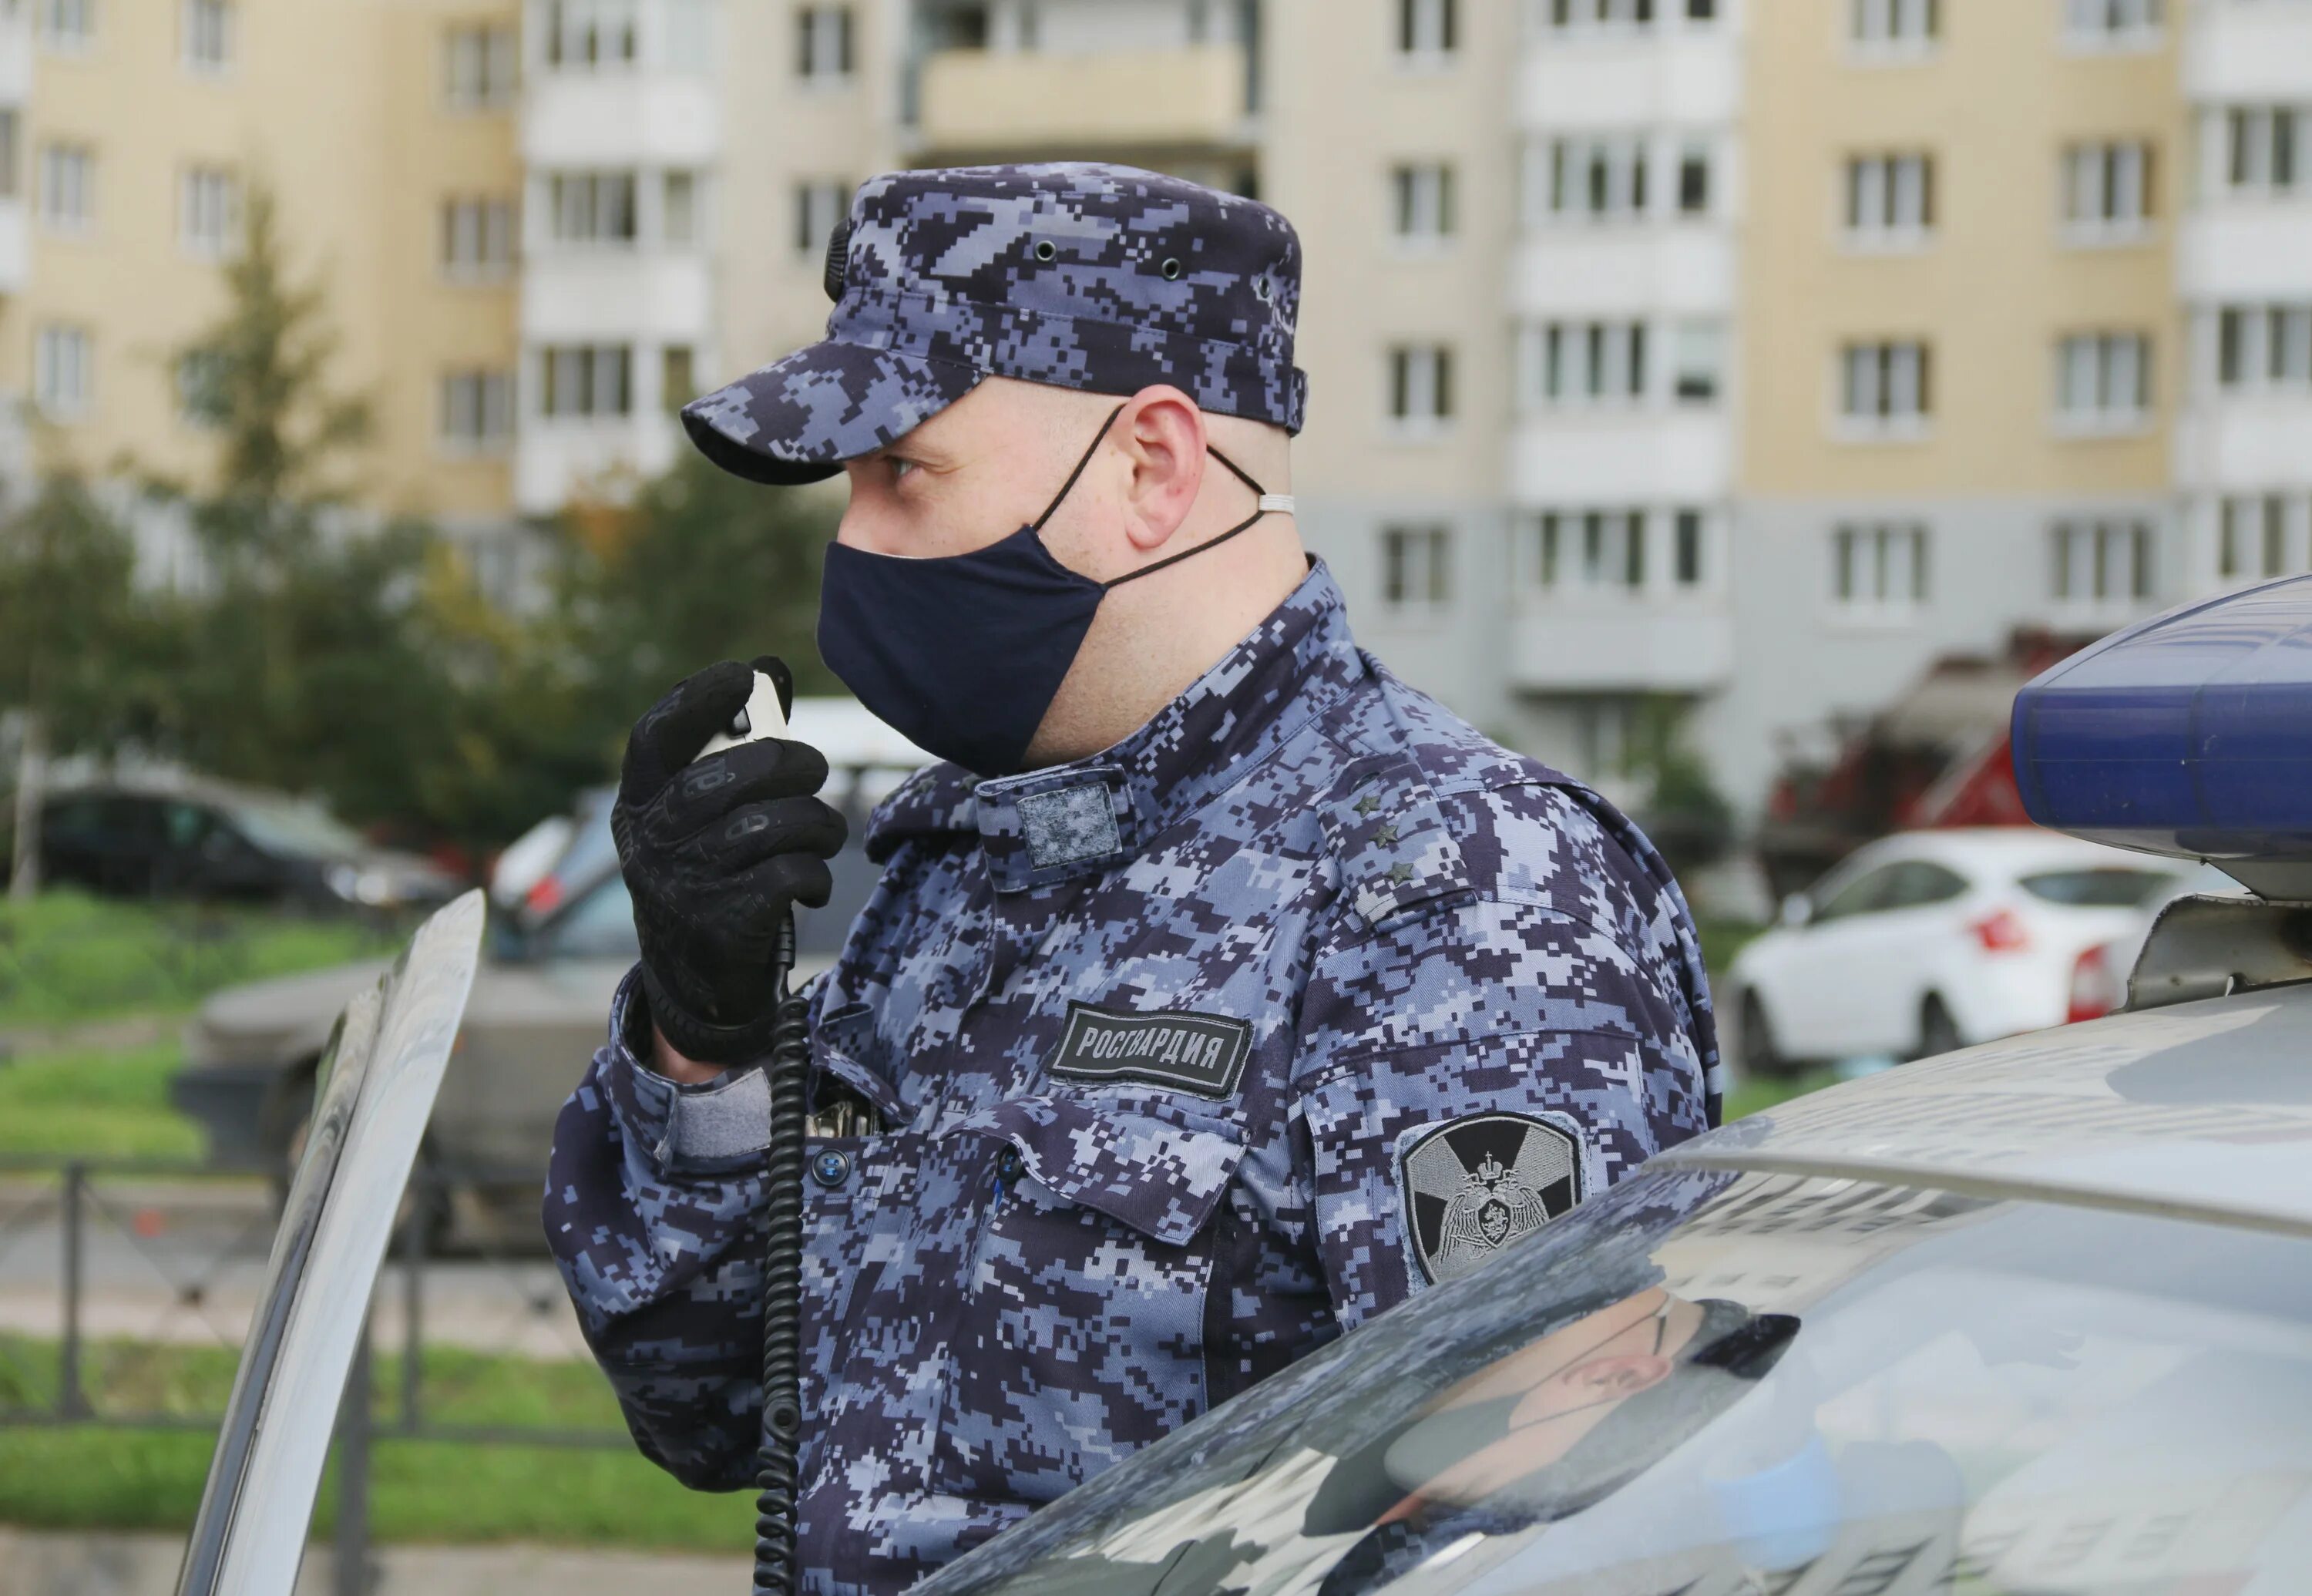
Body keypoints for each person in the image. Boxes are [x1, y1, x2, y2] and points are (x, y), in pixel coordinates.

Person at [545, 163, 1722, 1594]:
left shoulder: (1455, 889)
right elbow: (710, 1412)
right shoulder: (955, 868)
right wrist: (703, 1045)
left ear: (1153, 468)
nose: (857, 541)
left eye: (905, 471)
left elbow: (1533, 1536)